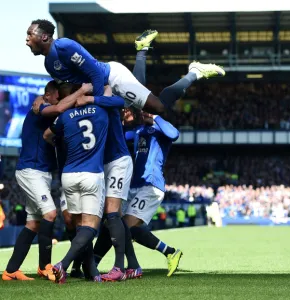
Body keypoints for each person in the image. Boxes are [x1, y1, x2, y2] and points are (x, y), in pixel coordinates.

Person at [26, 20, 225, 116]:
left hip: (112, 77)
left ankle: (194, 72)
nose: (27, 40)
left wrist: (98, 104)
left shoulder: (65, 46)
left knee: (157, 108)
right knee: (141, 96)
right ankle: (142, 48)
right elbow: (67, 88)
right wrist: (43, 99)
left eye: (30, 34)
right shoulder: (49, 64)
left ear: (44, 36)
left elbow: (94, 73)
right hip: (106, 88)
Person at [43, 83, 126, 284]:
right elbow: (116, 99)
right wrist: (104, 87)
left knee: (80, 226)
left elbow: (47, 135)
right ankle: (62, 265)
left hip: (69, 175)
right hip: (91, 174)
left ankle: (91, 271)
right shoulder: (101, 111)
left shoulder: (64, 116)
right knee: (90, 227)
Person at [2, 81, 60, 281]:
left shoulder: (49, 113)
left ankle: (11, 270)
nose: (59, 102)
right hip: (30, 171)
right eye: (57, 97)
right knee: (50, 214)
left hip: (41, 172)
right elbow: (60, 108)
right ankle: (45, 266)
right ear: (47, 96)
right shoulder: (39, 110)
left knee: (33, 224)